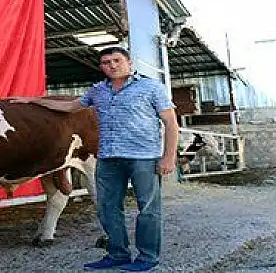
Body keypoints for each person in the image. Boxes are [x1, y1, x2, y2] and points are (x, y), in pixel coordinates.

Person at [17, 46, 178, 272]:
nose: (112, 65)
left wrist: (168, 157)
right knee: (107, 208)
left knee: (148, 209)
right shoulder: (98, 91)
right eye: (106, 62)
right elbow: (70, 107)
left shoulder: (151, 87)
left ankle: (147, 258)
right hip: (108, 159)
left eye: (116, 60)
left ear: (129, 63)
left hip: (143, 158)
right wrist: (32, 102)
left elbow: (171, 123)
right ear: (101, 67)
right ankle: (117, 254)